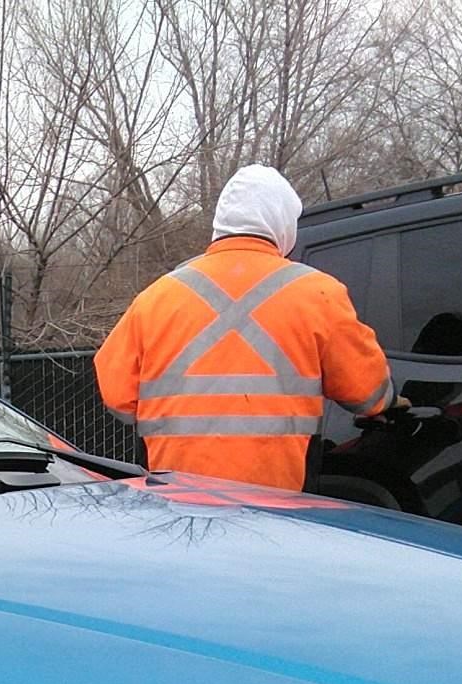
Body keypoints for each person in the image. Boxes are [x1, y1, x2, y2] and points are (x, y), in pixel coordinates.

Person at [95, 165, 395, 491]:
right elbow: (366, 393)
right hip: (275, 500)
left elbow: (118, 396)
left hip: (177, 500)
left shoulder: (156, 297)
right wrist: (393, 404)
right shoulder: (319, 294)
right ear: (282, 223)